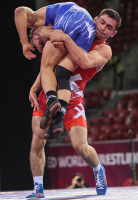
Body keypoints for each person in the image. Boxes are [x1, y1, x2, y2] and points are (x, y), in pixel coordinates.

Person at [25, 9, 121, 199]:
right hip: (50, 92)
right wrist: (34, 88)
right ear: (95, 19)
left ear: (113, 33)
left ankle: (98, 169)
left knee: (80, 146)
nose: (103, 28)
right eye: (102, 22)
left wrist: (65, 38)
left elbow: (84, 62)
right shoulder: (77, 30)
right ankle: (38, 189)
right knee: (37, 139)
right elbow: (48, 65)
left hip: (73, 97)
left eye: (109, 27)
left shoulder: (104, 49)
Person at [15, 2, 96, 138]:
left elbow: (19, 11)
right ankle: (58, 120)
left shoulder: (40, 27)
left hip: (69, 19)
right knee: (62, 73)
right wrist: (33, 89)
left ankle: (52, 100)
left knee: (46, 65)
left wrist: (24, 43)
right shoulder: (54, 15)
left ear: (34, 35)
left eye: (35, 46)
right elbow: (46, 73)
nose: (38, 49)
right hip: (88, 28)